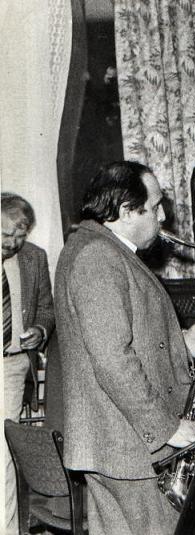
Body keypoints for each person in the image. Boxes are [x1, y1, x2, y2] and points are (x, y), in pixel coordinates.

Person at [54, 161, 195, 535]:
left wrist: (180, 344)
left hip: (120, 442)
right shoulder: (98, 255)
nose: (163, 215)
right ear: (125, 212)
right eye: (154, 207)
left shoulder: (98, 247)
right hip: (130, 446)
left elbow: (118, 337)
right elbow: (112, 360)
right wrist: (166, 429)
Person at [2, 192, 55, 535]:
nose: (12, 243)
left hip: (10, 367)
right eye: (5, 234)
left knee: (1, 457)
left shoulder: (35, 258)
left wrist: (40, 329)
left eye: (19, 236)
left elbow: (47, 309)